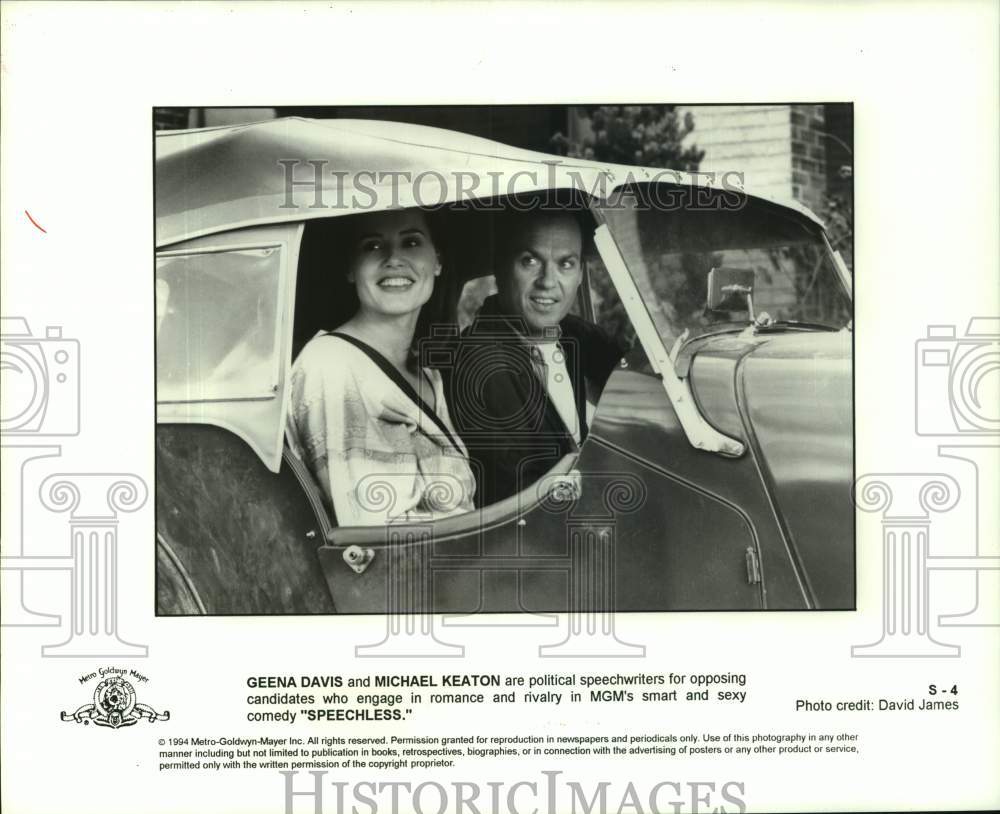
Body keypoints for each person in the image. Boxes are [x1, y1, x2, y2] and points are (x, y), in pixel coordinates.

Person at [286, 209, 476, 526]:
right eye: (372, 246)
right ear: (350, 268)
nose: (394, 259)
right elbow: (373, 534)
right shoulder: (332, 366)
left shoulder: (429, 375)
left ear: (438, 261)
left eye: (412, 242)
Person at [446, 209, 625, 506]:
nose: (548, 282)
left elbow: (633, 370)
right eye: (529, 261)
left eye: (566, 264)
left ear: (581, 273)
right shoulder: (476, 365)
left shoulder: (571, 335)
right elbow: (522, 497)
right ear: (499, 267)